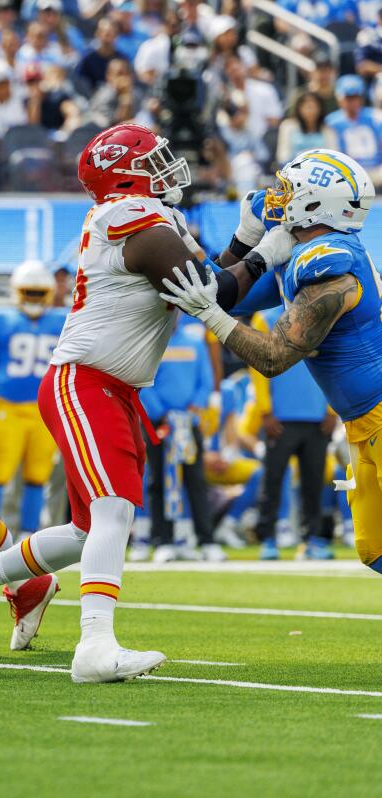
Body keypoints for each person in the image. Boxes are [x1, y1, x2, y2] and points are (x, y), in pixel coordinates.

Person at [0, 123, 286, 682]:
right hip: (87, 382)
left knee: (83, 530)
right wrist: (269, 249)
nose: (166, 171)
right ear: (125, 174)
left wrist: (245, 242)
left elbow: (206, 279)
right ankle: (95, 646)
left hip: (111, 387)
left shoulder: (150, 220)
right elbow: (215, 294)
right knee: (113, 511)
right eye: (154, 162)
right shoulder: (128, 218)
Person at [167, 149, 382, 576]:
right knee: (374, 549)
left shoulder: (331, 267)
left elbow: (272, 357)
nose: (275, 196)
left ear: (316, 204)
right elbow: (223, 290)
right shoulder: (299, 250)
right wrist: (244, 243)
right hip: (362, 422)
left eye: (289, 189)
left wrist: (211, 315)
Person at [0, 261, 67, 539]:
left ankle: (29, 535)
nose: (34, 298)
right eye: (29, 292)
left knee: (38, 476)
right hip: (6, 407)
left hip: (44, 410)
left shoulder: (63, 319)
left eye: (39, 292)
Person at [245, 306, 337, 561]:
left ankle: (312, 541)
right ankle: (268, 540)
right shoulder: (265, 317)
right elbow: (257, 364)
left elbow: (332, 363)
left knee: (313, 483)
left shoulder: (324, 315)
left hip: (317, 418)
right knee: (272, 482)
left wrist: (331, 409)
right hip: (280, 418)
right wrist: (264, 411)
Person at [138, 317, 223, 562]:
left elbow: (205, 380)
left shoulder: (194, 342)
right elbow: (144, 384)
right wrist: (162, 414)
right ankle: (162, 540)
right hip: (159, 424)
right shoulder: (150, 344)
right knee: (158, 481)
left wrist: (194, 409)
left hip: (188, 423)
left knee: (195, 480)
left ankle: (206, 541)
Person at [324, 76, 382, 183]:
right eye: (348, 97)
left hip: (376, 169)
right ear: (339, 99)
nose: (352, 102)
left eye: (355, 97)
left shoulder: (375, 117)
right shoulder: (331, 122)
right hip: (347, 172)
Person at [276, 92, 336, 165]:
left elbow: (333, 155)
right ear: (299, 108)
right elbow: (283, 155)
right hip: (293, 170)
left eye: (314, 107)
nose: (310, 111)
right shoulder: (288, 126)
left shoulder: (328, 129)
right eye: (307, 107)